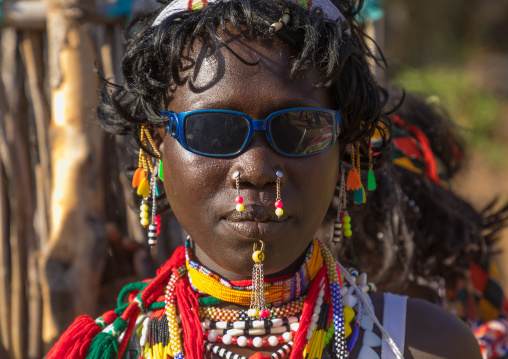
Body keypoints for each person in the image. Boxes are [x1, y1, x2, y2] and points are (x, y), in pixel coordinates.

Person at [47, 1, 482, 358]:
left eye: (299, 129)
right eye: (213, 131)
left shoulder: (422, 345)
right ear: (155, 147)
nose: (255, 171)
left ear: (345, 153)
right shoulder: (112, 349)